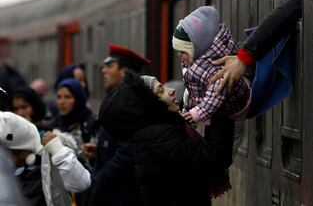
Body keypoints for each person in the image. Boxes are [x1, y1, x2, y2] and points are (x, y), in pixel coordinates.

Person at [99, 71, 235, 206]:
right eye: (161, 91)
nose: (171, 91)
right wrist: (219, 106)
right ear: (146, 105)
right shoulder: (157, 136)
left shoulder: (151, 133)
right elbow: (214, 157)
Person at [84, 43, 150, 206]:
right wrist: (100, 149)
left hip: (122, 195)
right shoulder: (121, 97)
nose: (103, 70)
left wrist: (99, 180)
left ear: (124, 72)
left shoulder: (129, 101)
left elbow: (126, 152)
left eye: (109, 66)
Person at [172, 5, 250, 123]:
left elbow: (217, 91)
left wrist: (197, 113)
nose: (179, 55)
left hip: (235, 109)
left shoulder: (213, 66)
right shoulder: (198, 61)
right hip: (215, 109)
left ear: (197, 49)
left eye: (183, 51)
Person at [0, 111, 91, 206]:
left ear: (29, 146)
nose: (13, 159)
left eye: (17, 153)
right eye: (7, 153)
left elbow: (81, 184)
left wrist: (58, 150)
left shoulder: (54, 156)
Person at [53, 79, 98, 156]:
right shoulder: (54, 124)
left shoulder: (93, 123)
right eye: (59, 97)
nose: (61, 102)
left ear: (78, 99)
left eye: (67, 97)